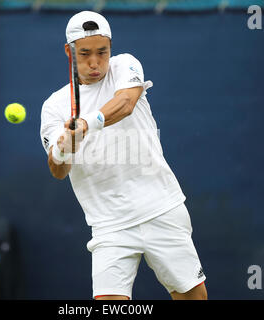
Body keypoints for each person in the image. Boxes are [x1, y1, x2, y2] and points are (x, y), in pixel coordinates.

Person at [40, 11, 207, 300]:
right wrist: (66, 145)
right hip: (109, 225)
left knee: (193, 298)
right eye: (85, 54)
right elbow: (58, 169)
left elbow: (126, 103)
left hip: (161, 207)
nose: (95, 62)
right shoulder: (54, 106)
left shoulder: (124, 66)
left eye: (102, 52)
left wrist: (86, 124)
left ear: (111, 49)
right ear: (69, 52)